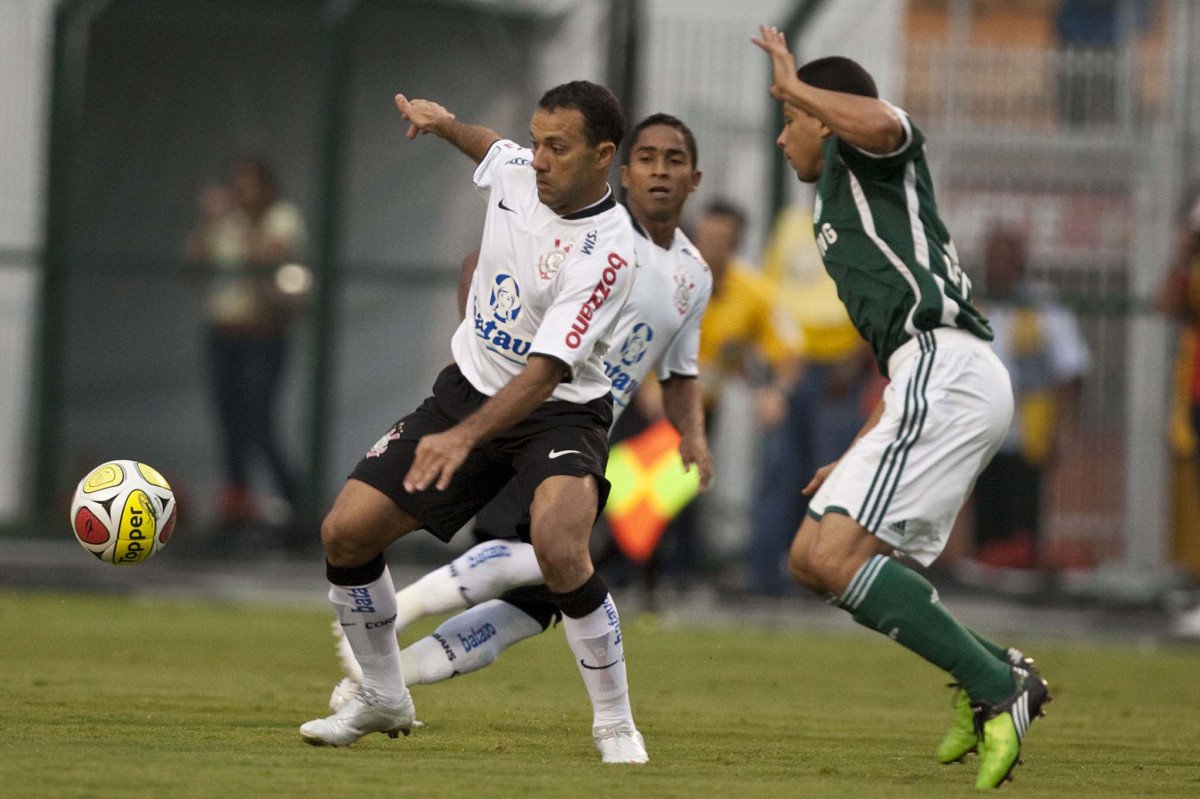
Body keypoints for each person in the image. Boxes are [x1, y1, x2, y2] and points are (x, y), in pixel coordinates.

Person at [324, 112, 713, 730]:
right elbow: (477, 266)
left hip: (586, 433)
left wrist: (690, 432)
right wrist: (486, 370)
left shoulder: (694, 273)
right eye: (647, 159)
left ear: (694, 178)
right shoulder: (587, 232)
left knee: (538, 600)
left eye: (673, 161)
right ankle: (395, 629)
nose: (659, 172)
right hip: (522, 413)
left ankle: (386, 681)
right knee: (538, 554)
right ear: (621, 167)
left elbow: (681, 370)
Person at [753, 26, 1050, 789]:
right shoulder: (831, 201)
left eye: (788, 120)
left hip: (948, 369)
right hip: (930, 378)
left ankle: (995, 688)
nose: (784, 136)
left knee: (831, 557)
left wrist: (799, 85)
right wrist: (862, 444)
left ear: (823, 115)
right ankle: (998, 668)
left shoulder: (867, 154)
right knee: (813, 559)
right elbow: (898, 355)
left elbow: (888, 123)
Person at [748, 206, 878, 595]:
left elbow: (876, 296)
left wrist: (857, 359)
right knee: (779, 470)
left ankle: (822, 575)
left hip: (841, 370)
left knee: (832, 476)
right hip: (790, 364)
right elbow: (768, 296)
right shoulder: (790, 223)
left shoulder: (864, 223)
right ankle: (765, 577)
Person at [185, 158, 307, 528]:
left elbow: (267, 258)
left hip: (263, 335)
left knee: (259, 422)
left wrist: (237, 223)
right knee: (229, 426)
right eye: (235, 183)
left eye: (247, 183)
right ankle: (237, 510)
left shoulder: (281, 217)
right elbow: (194, 263)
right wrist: (207, 221)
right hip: (224, 333)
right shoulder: (224, 222)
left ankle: (293, 503)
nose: (239, 192)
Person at [971, 225, 1090, 573]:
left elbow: (1072, 370)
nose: (1000, 265)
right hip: (979, 435)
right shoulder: (973, 302)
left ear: (1022, 262)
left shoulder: (1043, 306)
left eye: (1009, 257)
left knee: (1023, 526)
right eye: (994, 256)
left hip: (1027, 435)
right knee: (984, 521)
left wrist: (1063, 429)